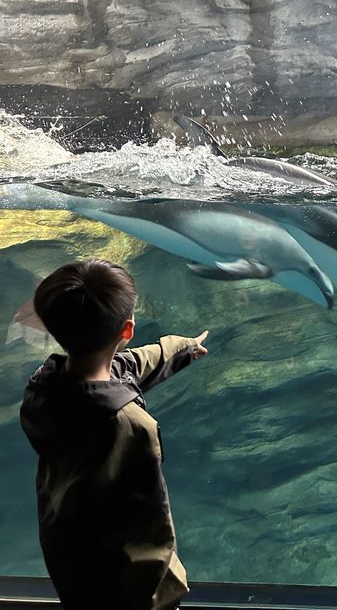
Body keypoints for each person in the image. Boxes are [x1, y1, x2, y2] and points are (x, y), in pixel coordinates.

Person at [20, 258, 208, 610]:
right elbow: (149, 525)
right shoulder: (130, 425)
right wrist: (162, 596)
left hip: (71, 564)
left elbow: (129, 365)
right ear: (127, 329)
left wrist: (183, 349)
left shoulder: (44, 386)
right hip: (125, 590)